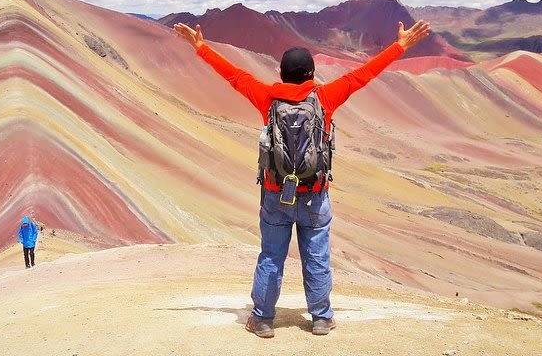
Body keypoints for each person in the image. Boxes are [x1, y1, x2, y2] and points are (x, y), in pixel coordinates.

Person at [173, 19, 430, 337]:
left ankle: (263, 318)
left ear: (281, 74)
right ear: (311, 74)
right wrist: (399, 47)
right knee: (317, 255)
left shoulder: (267, 99)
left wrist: (201, 47)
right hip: (315, 195)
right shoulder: (325, 98)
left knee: (271, 255)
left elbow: (234, 77)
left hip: (275, 193)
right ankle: (321, 317)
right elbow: (363, 75)